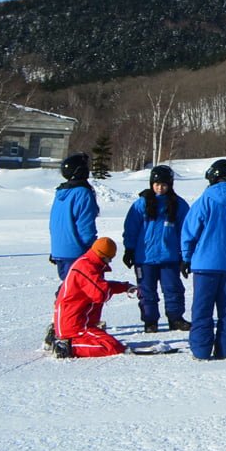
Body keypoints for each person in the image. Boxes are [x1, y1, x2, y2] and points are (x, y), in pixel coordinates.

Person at [180, 159, 226, 361]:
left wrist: (186, 256)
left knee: (202, 309)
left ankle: (201, 351)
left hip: (205, 264)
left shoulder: (205, 200)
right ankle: (225, 350)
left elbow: (190, 230)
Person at [121, 163, 190, 333]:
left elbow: (186, 231)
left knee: (173, 289)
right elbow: (131, 228)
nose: (160, 188)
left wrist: (185, 255)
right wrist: (129, 249)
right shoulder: (142, 204)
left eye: (164, 185)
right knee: (147, 291)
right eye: (157, 184)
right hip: (144, 258)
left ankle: (175, 318)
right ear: (152, 184)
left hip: (169, 257)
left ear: (170, 185)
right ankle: (150, 321)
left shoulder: (179, 205)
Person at [51, 237, 136, 358]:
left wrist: (124, 287)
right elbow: (100, 294)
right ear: (103, 256)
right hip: (74, 324)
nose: (109, 262)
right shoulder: (86, 267)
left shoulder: (89, 263)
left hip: (80, 321)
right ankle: (67, 347)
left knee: (111, 344)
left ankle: (67, 342)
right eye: (109, 259)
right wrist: (118, 288)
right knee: (112, 347)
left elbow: (99, 285)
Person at [48, 153, 99, 281]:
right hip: (76, 251)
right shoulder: (82, 193)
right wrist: (92, 249)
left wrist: (56, 249)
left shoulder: (61, 193)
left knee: (68, 288)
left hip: (59, 250)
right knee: (80, 289)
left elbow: (55, 223)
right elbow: (85, 225)